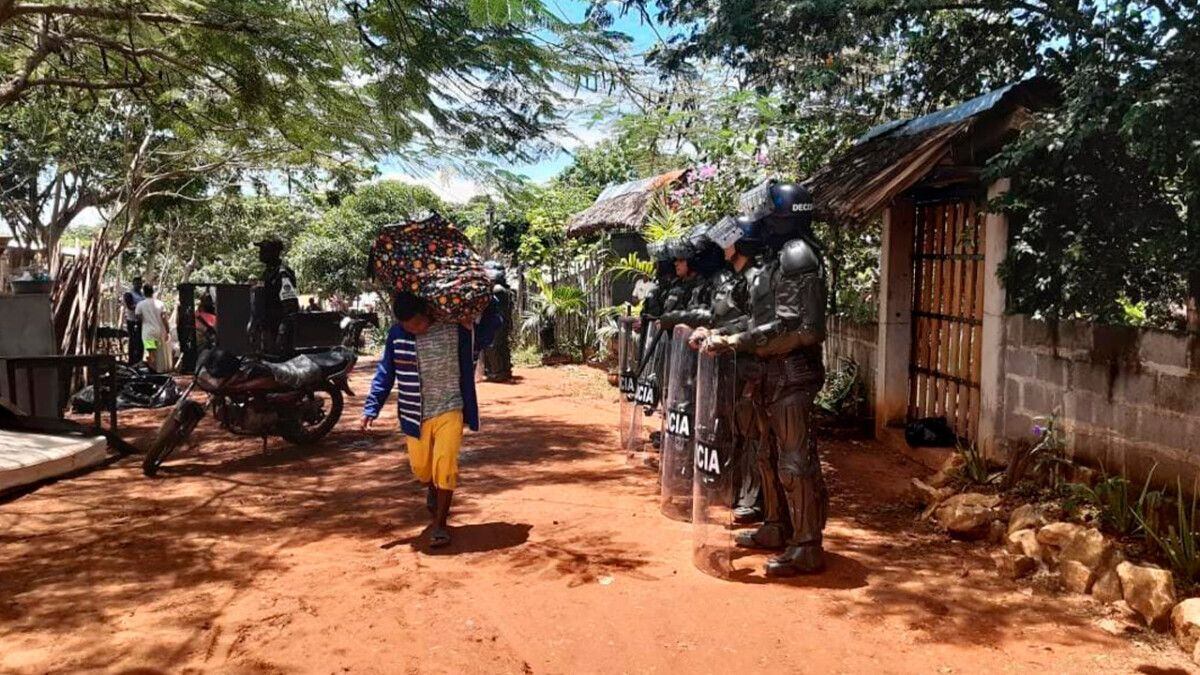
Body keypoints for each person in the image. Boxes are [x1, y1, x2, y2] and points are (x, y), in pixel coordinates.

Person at [704, 180, 828, 577]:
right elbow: (762, 319)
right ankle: (776, 526)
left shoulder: (796, 254)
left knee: (795, 462)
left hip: (792, 373)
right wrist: (729, 337)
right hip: (769, 371)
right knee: (766, 456)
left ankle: (807, 544)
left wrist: (737, 340)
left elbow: (798, 327)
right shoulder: (777, 259)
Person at [360, 291, 502, 549]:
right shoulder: (396, 336)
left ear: (427, 312)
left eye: (417, 322)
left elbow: (491, 327)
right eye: (407, 326)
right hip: (415, 414)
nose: (414, 329)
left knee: (445, 466)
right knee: (422, 470)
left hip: (451, 408)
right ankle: (433, 488)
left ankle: (440, 525)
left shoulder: (456, 328)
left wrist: (489, 298)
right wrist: (371, 408)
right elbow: (385, 373)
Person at [249, 237, 301, 356]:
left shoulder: (282, 273)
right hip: (267, 330)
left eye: (264, 249)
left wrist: (282, 333)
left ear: (274, 252)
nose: (260, 253)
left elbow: (290, 307)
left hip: (277, 332)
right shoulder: (267, 273)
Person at [481, 261, 513, 382]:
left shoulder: (497, 290)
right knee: (501, 345)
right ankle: (505, 370)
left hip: (496, 322)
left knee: (492, 346)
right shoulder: (503, 289)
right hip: (502, 322)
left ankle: (497, 372)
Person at [135, 284, 171, 373]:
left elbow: (138, 317)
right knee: (158, 353)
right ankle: (158, 370)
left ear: (144, 292)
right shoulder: (160, 303)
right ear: (152, 292)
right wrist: (168, 330)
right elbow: (164, 318)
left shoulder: (140, 304)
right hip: (159, 331)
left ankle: (152, 372)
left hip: (148, 332)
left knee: (151, 353)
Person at [123, 277, 145, 365]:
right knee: (133, 341)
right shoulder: (129, 294)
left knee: (141, 342)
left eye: (140, 283)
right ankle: (132, 361)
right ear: (133, 284)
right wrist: (141, 307)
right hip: (132, 321)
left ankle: (139, 360)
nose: (139, 285)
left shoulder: (142, 295)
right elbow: (130, 306)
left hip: (142, 322)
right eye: (137, 283)